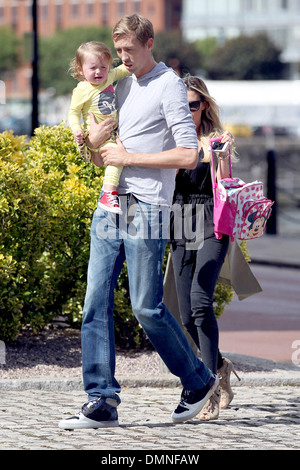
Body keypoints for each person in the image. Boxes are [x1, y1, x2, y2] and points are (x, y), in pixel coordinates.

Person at [58, 14, 219, 430]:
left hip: (147, 207)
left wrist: (128, 157)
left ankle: (199, 380)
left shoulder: (169, 86)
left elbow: (189, 155)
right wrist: (90, 145)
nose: (123, 58)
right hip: (110, 203)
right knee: (94, 302)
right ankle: (101, 400)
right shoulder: (120, 84)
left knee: (146, 307)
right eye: (119, 52)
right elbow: (103, 154)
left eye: (130, 50)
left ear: (149, 43)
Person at [167, 75, 241, 421]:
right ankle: (221, 365)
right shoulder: (167, 139)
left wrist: (220, 156)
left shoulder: (215, 140)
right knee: (185, 318)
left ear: (204, 106)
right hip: (179, 228)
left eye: (193, 105)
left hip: (212, 227)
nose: (188, 110)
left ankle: (208, 388)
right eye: (182, 105)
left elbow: (224, 186)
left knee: (200, 302)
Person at [68, 41, 130, 214]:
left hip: (112, 132)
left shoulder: (109, 77)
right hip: (98, 134)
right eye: (93, 67)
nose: (99, 72)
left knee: (117, 153)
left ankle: (109, 192)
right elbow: (73, 113)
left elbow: (126, 69)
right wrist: (76, 129)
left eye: (103, 67)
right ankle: (108, 192)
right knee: (115, 155)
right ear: (81, 70)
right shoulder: (82, 90)